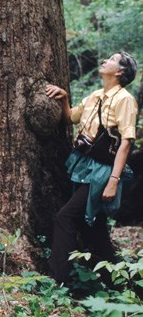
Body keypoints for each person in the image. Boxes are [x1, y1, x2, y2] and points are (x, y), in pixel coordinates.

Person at [46, 51, 138, 287]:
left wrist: (114, 180)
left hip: (104, 172)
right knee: (93, 227)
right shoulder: (95, 96)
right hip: (84, 166)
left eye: (112, 59)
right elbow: (70, 119)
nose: (105, 60)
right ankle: (120, 284)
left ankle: (58, 283)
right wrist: (64, 98)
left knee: (65, 218)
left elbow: (126, 141)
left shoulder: (125, 99)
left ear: (119, 72)